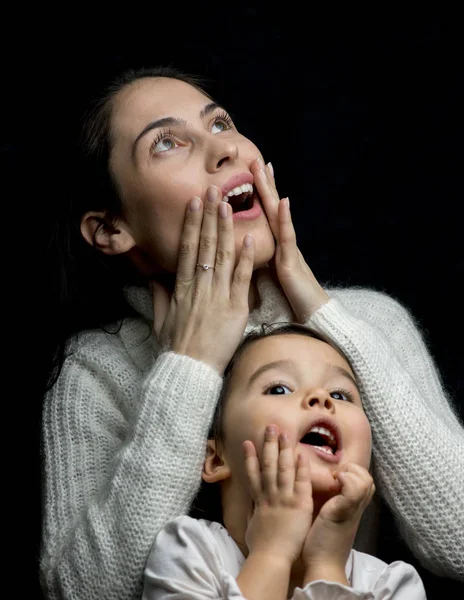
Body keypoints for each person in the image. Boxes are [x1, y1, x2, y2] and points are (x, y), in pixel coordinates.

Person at [40, 65, 464, 600]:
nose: (223, 151)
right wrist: (189, 365)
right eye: (167, 143)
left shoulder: (371, 323)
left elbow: (461, 544)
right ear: (110, 229)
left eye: (221, 123)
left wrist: (329, 319)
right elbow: (85, 591)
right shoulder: (97, 368)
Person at [142, 322, 427, 599]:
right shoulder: (188, 551)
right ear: (217, 459)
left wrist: (326, 564)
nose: (321, 397)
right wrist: (271, 553)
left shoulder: (392, 585)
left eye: (340, 394)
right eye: (279, 389)